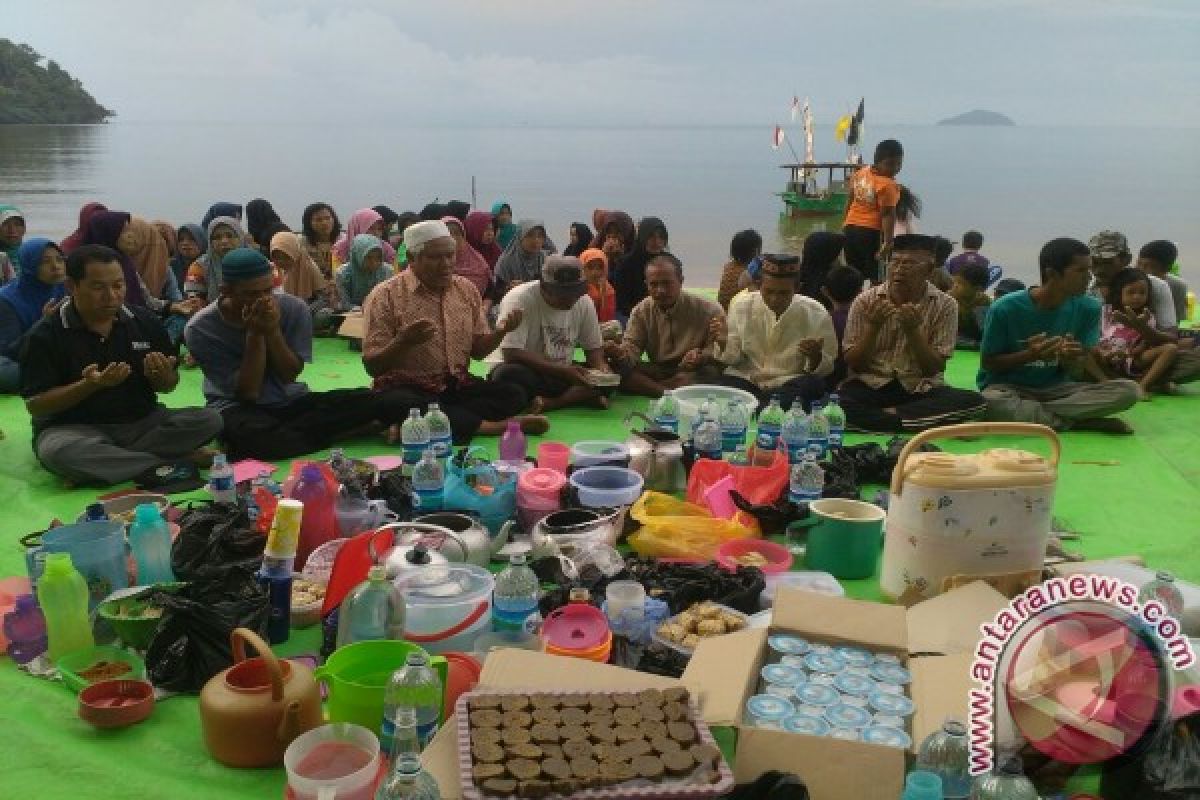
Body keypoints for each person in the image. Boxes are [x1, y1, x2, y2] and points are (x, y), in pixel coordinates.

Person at [20, 244, 223, 485]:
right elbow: (37, 405)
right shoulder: (45, 335)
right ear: (72, 286)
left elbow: (168, 386)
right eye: (98, 287)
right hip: (75, 429)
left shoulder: (144, 321)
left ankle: (111, 465)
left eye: (118, 285)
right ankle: (163, 462)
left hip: (141, 423)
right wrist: (88, 385)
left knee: (210, 420)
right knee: (59, 452)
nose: (111, 296)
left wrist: (162, 376)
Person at [185, 248, 406, 460]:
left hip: (290, 399)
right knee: (253, 437)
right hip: (237, 407)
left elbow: (289, 375)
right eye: (252, 294)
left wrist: (272, 331)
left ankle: (315, 432)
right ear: (226, 291)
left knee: (385, 400)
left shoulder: (293, 308)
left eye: (267, 290)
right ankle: (343, 431)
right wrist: (255, 334)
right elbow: (248, 393)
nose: (263, 299)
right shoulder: (200, 329)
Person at [362, 220, 546, 441]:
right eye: (435, 257)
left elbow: (477, 352)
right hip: (408, 387)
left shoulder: (465, 290)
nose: (446, 264)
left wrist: (501, 332)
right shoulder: (386, 295)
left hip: (456, 385)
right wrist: (403, 342)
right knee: (397, 403)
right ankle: (491, 427)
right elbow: (373, 366)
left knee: (513, 394)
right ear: (412, 258)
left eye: (450, 255)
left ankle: (410, 427)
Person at [978, 238, 1139, 433]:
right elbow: (989, 363)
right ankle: (1080, 422)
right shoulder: (1005, 308)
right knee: (991, 401)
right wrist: (1030, 355)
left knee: (1129, 391)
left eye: (1089, 270)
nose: (1089, 277)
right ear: (1052, 274)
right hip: (1008, 388)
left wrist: (1071, 359)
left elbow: (1077, 372)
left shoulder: (1089, 307)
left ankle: (1041, 417)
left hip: (1058, 390)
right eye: (1081, 271)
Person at [840, 234, 987, 432]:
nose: (899, 270)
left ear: (928, 269)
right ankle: (907, 419)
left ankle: (884, 418)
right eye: (894, 262)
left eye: (908, 264)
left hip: (920, 387)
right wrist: (873, 327)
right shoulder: (865, 301)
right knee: (833, 405)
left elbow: (933, 368)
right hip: (871, 384)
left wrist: (913, 332)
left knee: (976, 401)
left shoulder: (946, 305)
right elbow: (854, 363)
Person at [713, 254, 837, 412]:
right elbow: (734, 359)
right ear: (759, 285)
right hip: (747, 380)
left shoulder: (816, 312)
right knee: (714, 384)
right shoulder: (741, 306)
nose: (774, 299)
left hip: (787, 385)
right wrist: (724, 343)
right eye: (769, 291)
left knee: (812, 384)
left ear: (797, 288)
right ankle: (767, 409)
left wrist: (815, 358)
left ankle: (752, 409)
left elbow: (827, 366)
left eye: (783, 293)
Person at [490, 255, 615, 411]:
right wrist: (562, 371)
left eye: (574, 294)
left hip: (564, 372)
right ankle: (580, 396)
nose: (570, 301)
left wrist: (601, 369)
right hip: (531, 370)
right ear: (544, 287)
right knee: (506, 375)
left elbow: (593, 349)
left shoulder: (583, 301)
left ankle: (552, 402)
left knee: (615, 371)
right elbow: (511, 353)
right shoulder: (519, 299)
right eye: (563, 296)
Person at [1089, 229, 1200, 385]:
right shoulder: (1087, 290)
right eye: (1094, 262)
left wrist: (1141, 327)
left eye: (1107, 262)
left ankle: (1136, 382)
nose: (1098, 269)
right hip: (1105, 359)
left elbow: (1171, 338)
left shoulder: (1156, 286)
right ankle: (1137, 382)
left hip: (1142, 358)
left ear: (1126, 259)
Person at [608, 252, 724, 397]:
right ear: (646, 285)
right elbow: (633, 346)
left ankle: (654, 389)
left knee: (711, 373)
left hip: (691, 371)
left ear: (681, 281)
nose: (660, 291)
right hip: (659, 369)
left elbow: (719, 350)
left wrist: (701, 356)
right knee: (613, 367)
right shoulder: (641, 310)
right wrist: (620, 354)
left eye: (666, 283)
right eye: (654, 285)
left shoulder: (709, 309)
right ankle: (668, 391)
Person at [1098, 268, 1182, 399]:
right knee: (1085, 351)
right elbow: (1096, 336)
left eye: (1142, 293)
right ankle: (1109, 382)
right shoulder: (1106, 312)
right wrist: (1105, 352)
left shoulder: (1148, 316)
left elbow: (1144, 344)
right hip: (1106, 356)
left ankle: (1142, 385)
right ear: (1118, 293)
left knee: (1171, 349)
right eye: (1131, 292)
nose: (1137, 297)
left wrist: (1128, 353)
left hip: (1133, 359)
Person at [0, 238, 67, 393]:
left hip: (53, 357)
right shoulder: (7, 300)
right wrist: (43, 324)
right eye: (45, 262)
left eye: (59, 259)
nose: (56, 266)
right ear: (30, 265)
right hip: (16, 359)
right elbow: (10, 351)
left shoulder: (65, 288)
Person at [842, 139, 903, 282]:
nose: (895, 168)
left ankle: (855, 300)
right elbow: (888, 214)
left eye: (899, 163)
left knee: (855, 272)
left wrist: (844, 223)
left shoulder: (860, 173)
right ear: (878, 161)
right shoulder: (888, 185)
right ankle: (874, 302)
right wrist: (888, 242)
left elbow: (850, 200)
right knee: (877, 275)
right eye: (890, 164)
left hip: (850, 229)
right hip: (871, 233)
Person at [270, 230, 335, 330]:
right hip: (283, 311)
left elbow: (324, 299)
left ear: (294, 253)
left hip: (307, 310)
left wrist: (303, 311)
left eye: (286, 257)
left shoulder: (308, 267)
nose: (281, 261)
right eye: (277, 258)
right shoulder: (272, 270)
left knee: (323, 316)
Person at [614, 216, 669, 319]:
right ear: (643, 237)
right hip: (633, 315)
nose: (656, 241)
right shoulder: (626, 264)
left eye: (660, 237)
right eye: (651, 236)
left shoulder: (669, 262)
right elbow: (622, 303)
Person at [184, 216, 248, 302]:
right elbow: (193, 303)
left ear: (240, 238)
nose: (224, 241)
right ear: (210, 242)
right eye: (217, 237)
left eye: (230, 236)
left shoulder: (258, 263)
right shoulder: (199, 267)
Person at [821, 264, 864, 390]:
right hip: (854, 384)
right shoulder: (867, 322)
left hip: (827, 383)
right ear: (861, 292)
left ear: (824, 291)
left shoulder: (822, 321)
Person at [443, 216, 493, 312]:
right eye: (448, 235)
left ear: (464, 236)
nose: (453, 239)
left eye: (457, 234)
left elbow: (489, 291)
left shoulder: (477, 261)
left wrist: (484, 307)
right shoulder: (434, 264)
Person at [335, 234, 392, 310]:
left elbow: (389, 300)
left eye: (378, 257)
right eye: (368, 258)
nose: (374, 263)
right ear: (357, 255)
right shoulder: (343, 274)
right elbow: (345, 303)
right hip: (351, 314)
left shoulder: (387, 271)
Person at [493, 219, 548, 297]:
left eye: (540, 236)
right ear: (520, 237)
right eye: (530, 235)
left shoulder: (544, 258)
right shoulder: (507, 260)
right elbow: (496, 292)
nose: (536, 240)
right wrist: (508, 288)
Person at [1138, 240, 1188, 323]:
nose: (1140, 270)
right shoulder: (1128, 280)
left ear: (1167, 268)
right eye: (1139, 263)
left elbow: (1178, 321)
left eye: (1148, 266)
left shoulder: (1177, 286)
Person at [797, 231, 846, 309]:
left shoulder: (796, 279)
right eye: (837, 254)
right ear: (828, 256)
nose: (839, 258)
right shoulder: (835, 284)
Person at [717, 229, 762, 311]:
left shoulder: (728, 266)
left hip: (722, 310)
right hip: (735, 314)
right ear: (756, 251)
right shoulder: (751, 273)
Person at [949, 261, 992, 347]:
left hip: (973, 343)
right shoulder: (948, 299)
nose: (955, 286)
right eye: (955, 282)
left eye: (961, 283)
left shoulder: (983, 302)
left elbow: (984, 331)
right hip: (952, 340)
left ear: (978, 289)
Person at [300, 202, 341, 290]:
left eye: (328, 218)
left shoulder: (342, 240)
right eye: (318, 220)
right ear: (309, 223)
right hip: (311, 288)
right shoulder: (301, 243)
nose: (324, 223)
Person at [581, 248, 617, 325]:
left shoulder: (608, 290)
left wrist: (603, 295)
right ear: (582, 268)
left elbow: (607, 320)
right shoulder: (575, 288)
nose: (595, 272)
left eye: (600, 267)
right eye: (590, 267)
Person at [171, 224, 207, 291]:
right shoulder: (171, 266)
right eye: (181, 239)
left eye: (192, 239)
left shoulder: (209, 265)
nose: (185, 243)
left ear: (201, 241)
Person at [1, 205, 26, 285]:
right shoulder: (1, 258)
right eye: (5, 224)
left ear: (24, 229)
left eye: (17, 224)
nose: (12, 230)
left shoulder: (32, 254)